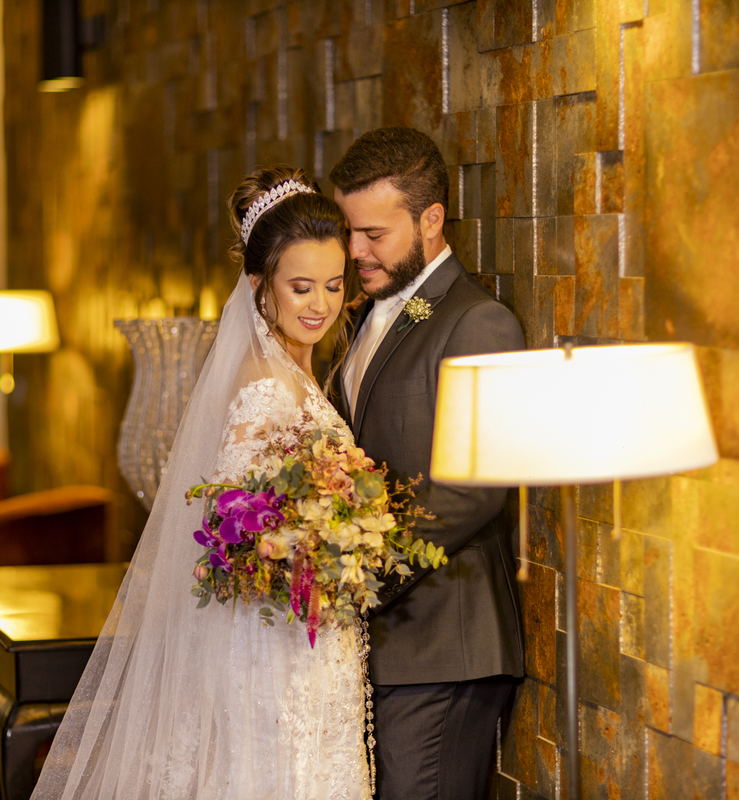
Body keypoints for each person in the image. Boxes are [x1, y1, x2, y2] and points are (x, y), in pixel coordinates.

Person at [30, 166, 371, 800]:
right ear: (258, 286)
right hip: (273, 650)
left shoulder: (297, 377)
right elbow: (230, 532)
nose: (320, 304)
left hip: (310, 636)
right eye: (300, 287)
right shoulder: (263, 387)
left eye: (331, 284)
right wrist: (311, 545)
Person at [329, 127, 526, 800]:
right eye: (349, 231)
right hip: (382, 648)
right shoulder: (373, 313)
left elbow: (474, 491)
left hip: (445, 647)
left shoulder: (479, 322)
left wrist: (359, 576)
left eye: (374, 234)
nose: (355, 251)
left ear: (431, 219)